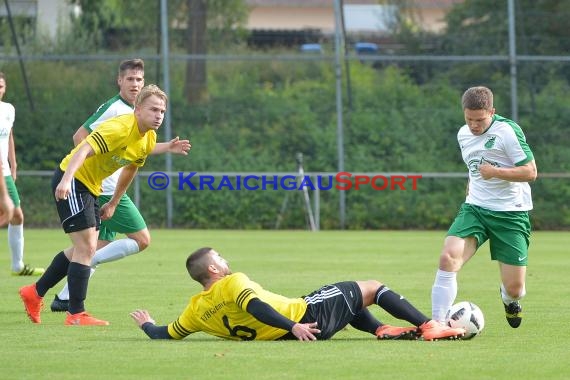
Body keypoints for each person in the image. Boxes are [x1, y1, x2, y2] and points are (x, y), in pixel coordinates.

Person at [19, 84, 168, 326]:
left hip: (91, 187)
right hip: (74, 179)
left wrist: (113, 202)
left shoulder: (148, 138)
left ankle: (34, 292)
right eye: (153, 109)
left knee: (84, 248)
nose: (159, 115)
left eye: (162, 111)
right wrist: (66, 179)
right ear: (138, 109)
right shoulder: (120, 127)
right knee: (88, 247)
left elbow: (130, 168)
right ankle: (76, 314)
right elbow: (84, 146)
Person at [49, 59, 190, 312]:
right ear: (120, 81)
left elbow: (137, 149)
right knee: (137, 239)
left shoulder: (141, 116)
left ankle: (62, 297)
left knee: (96, 246)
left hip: (106, 188)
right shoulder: (115, 109)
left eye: (139, 79)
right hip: (98, 188)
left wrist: (167, 147)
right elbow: (81, 138)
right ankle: (70, 302)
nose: (135, 84)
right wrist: (87, 174)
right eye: (130, 79)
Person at [130, 247, 466, 341]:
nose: (227, 261)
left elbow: (165, 334)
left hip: (289, 334)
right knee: (371, 287)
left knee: (343, 297)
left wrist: (148, 325)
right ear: (214, 271)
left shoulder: (194, 312)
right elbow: (257, 305)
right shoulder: (232, 282)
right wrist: (294, 325)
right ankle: (428, 324)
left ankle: (380, 329)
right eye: (221, 258)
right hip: (303, 319)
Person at [430, 86, 537, 329]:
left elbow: (531, 172)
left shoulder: (507, 131)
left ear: (492, 112)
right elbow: (474, 167)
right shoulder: (462, 134)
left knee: (516, 288)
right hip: (476, 209)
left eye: (479, 120)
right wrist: (472, 186)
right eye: (469, 119)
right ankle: (436, 324)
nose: (474, 126)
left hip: (511, 213)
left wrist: (495, 172)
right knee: (448, 258)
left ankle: (509, 299)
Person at [0, 72, 44, 276]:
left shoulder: (8, 109)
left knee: (16, 215)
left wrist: (13, 164)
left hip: (5, 172)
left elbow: (8, 135)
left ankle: (17, 265)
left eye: (1, 85)